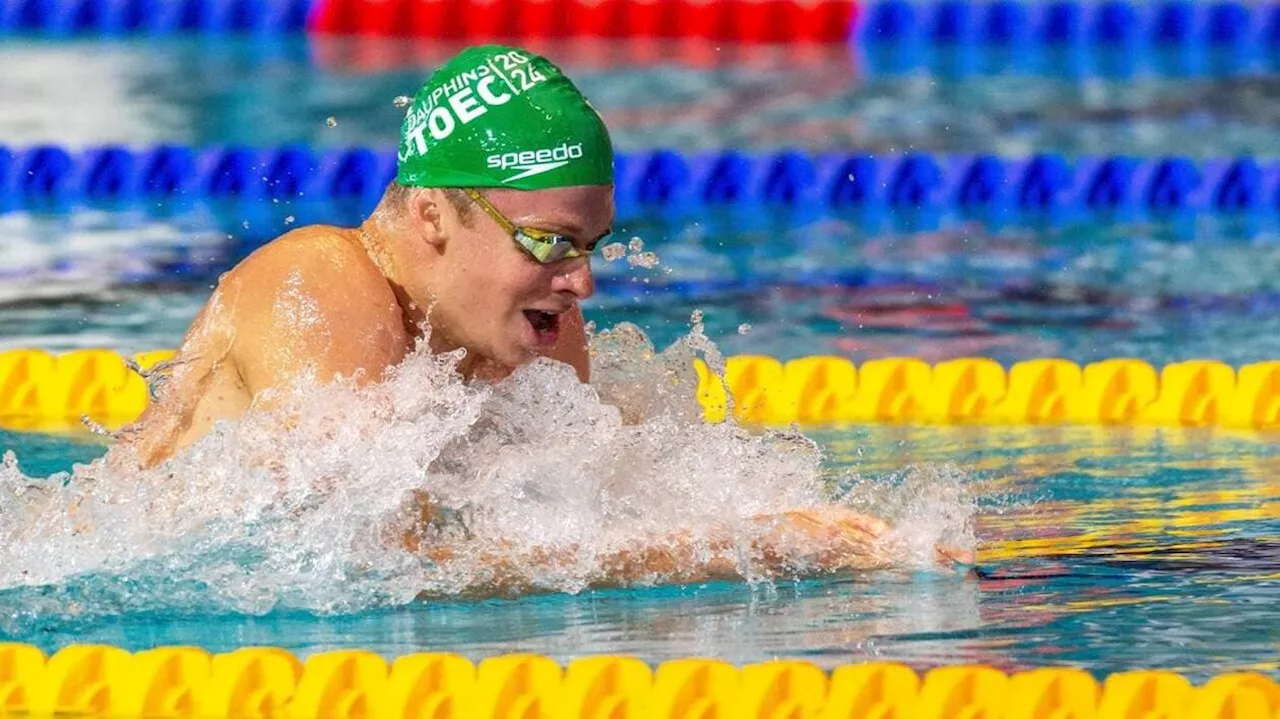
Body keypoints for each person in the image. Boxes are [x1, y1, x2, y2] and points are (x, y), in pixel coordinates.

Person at [117, 44, 972, 582]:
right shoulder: (321, 284)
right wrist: (730, 548)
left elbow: (575, 519)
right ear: (431, 216)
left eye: (591, 245)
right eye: (550, 243)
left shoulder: (528, 326)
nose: (583, 284)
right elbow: (361, 565)